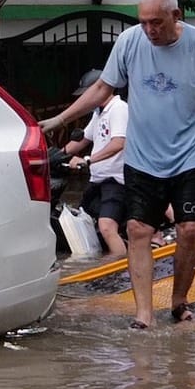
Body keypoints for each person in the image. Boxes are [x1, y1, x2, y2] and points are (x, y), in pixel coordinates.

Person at [48, 0, 195, 329]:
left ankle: (179, 302)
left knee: (190, 230)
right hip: (141, 157)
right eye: (143, 22)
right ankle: (144, 315)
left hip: (190, 155)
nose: (149, 30)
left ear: (176, 16)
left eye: (156, 23)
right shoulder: (129, 42)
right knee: (137, 229)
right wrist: (61, 119)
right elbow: (102, 88)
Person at [58, 70, 130, 257]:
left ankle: (120, 269)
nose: (85, 99)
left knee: (106, 227)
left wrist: (88, 160)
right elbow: (82, 139)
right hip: (98, 181)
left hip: (115, 181)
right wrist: (56, 155)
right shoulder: (99, 113)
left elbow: (118, 143)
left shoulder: (118, 108)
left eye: (87, 94)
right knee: (84, 220)